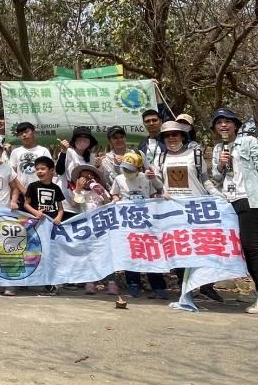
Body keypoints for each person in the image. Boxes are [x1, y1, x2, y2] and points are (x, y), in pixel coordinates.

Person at [155, 120, 225, 303]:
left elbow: (205, 179)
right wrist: (157, 186)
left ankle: (205, 286)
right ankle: (184, 287)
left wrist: (218, 196)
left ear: (182, 136)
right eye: (167, 135)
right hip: (174, 211)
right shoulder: (161, 157)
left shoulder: (194, 154)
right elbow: (157, 184)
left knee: (201, 248)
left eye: (175, 134)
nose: (171, 138)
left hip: (197, 210)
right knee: (180, 249)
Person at [210, 108, 258, 313]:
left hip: (250, 199)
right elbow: (217, 178)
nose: (223, 125)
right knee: (243, 250)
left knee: (252, 248)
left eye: (227, 121)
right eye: (219, 122)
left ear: (236, 125)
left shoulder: (249, 142)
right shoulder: (217, 149)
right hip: (229, 202)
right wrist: (221, 164)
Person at [110, 158, 167, 299]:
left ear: (139, 168)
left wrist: (159, 199)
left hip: (146, 222)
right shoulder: (118, 178)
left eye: (131, 169)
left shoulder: (146, 178)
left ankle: (158, 286)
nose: (127, 172)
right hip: (127, 223)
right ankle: (133, 285)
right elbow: (115, 193)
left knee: (151, 254)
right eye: (125, 168)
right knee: (131, 253)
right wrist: (116, 199)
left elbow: (154, 194)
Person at [68, 164, 118, 296]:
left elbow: (108, 204)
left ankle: (111, 282)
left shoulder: (99, 189)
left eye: (89, 176)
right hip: (87, 228)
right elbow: (74, 204)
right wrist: (78, 189)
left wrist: (101, 192)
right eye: (83, 177)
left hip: (102, 226)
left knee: (106, 253)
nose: (87, 179)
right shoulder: (79, 192)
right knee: (89, 254)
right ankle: (90, 281)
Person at [23, 156, 64, 295]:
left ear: (51, 170)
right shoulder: (32, 186)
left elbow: (60, 208)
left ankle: (49, 282)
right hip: (36, 225)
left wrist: (58, 218)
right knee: (33, 251)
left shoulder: (56, 188)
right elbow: (26, 204)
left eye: (43, 168)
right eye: (37, 169)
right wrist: (35, 212)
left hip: (51, 226)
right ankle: (27, 280)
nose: (39, 171)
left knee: (49, 254)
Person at [55, 126, 98, 219]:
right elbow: (59, 170)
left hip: (82, 204)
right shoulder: (68, 152)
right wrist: (63, 151)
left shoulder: (91, 157)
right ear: (74, 140)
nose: (82, 141)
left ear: (90, 142)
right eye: (79, 139)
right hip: (65, 202)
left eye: (85, 139)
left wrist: (98, 166)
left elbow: (92, 178)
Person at [9, 122, 52, 197]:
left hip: (41, 192)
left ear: (34, 132)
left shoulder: (44, 150)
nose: (24, 135)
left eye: (26, 132)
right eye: (21, 133)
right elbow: (13, 175)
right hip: (21, 193)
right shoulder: (15, 152)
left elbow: (50, 172)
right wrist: (23, 190)